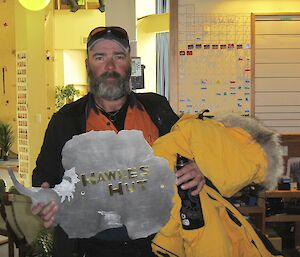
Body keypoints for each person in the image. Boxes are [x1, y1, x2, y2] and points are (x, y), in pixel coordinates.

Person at [31, 26, 205, 257]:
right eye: (100, 57)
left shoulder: (157, 108)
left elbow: (189, 155)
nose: (110, 67)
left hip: (157, 244)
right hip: (88, 248)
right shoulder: (65, 120)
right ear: (88, 65)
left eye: (118, 57)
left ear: (129, 64)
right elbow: (43, 176)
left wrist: (199, 167)